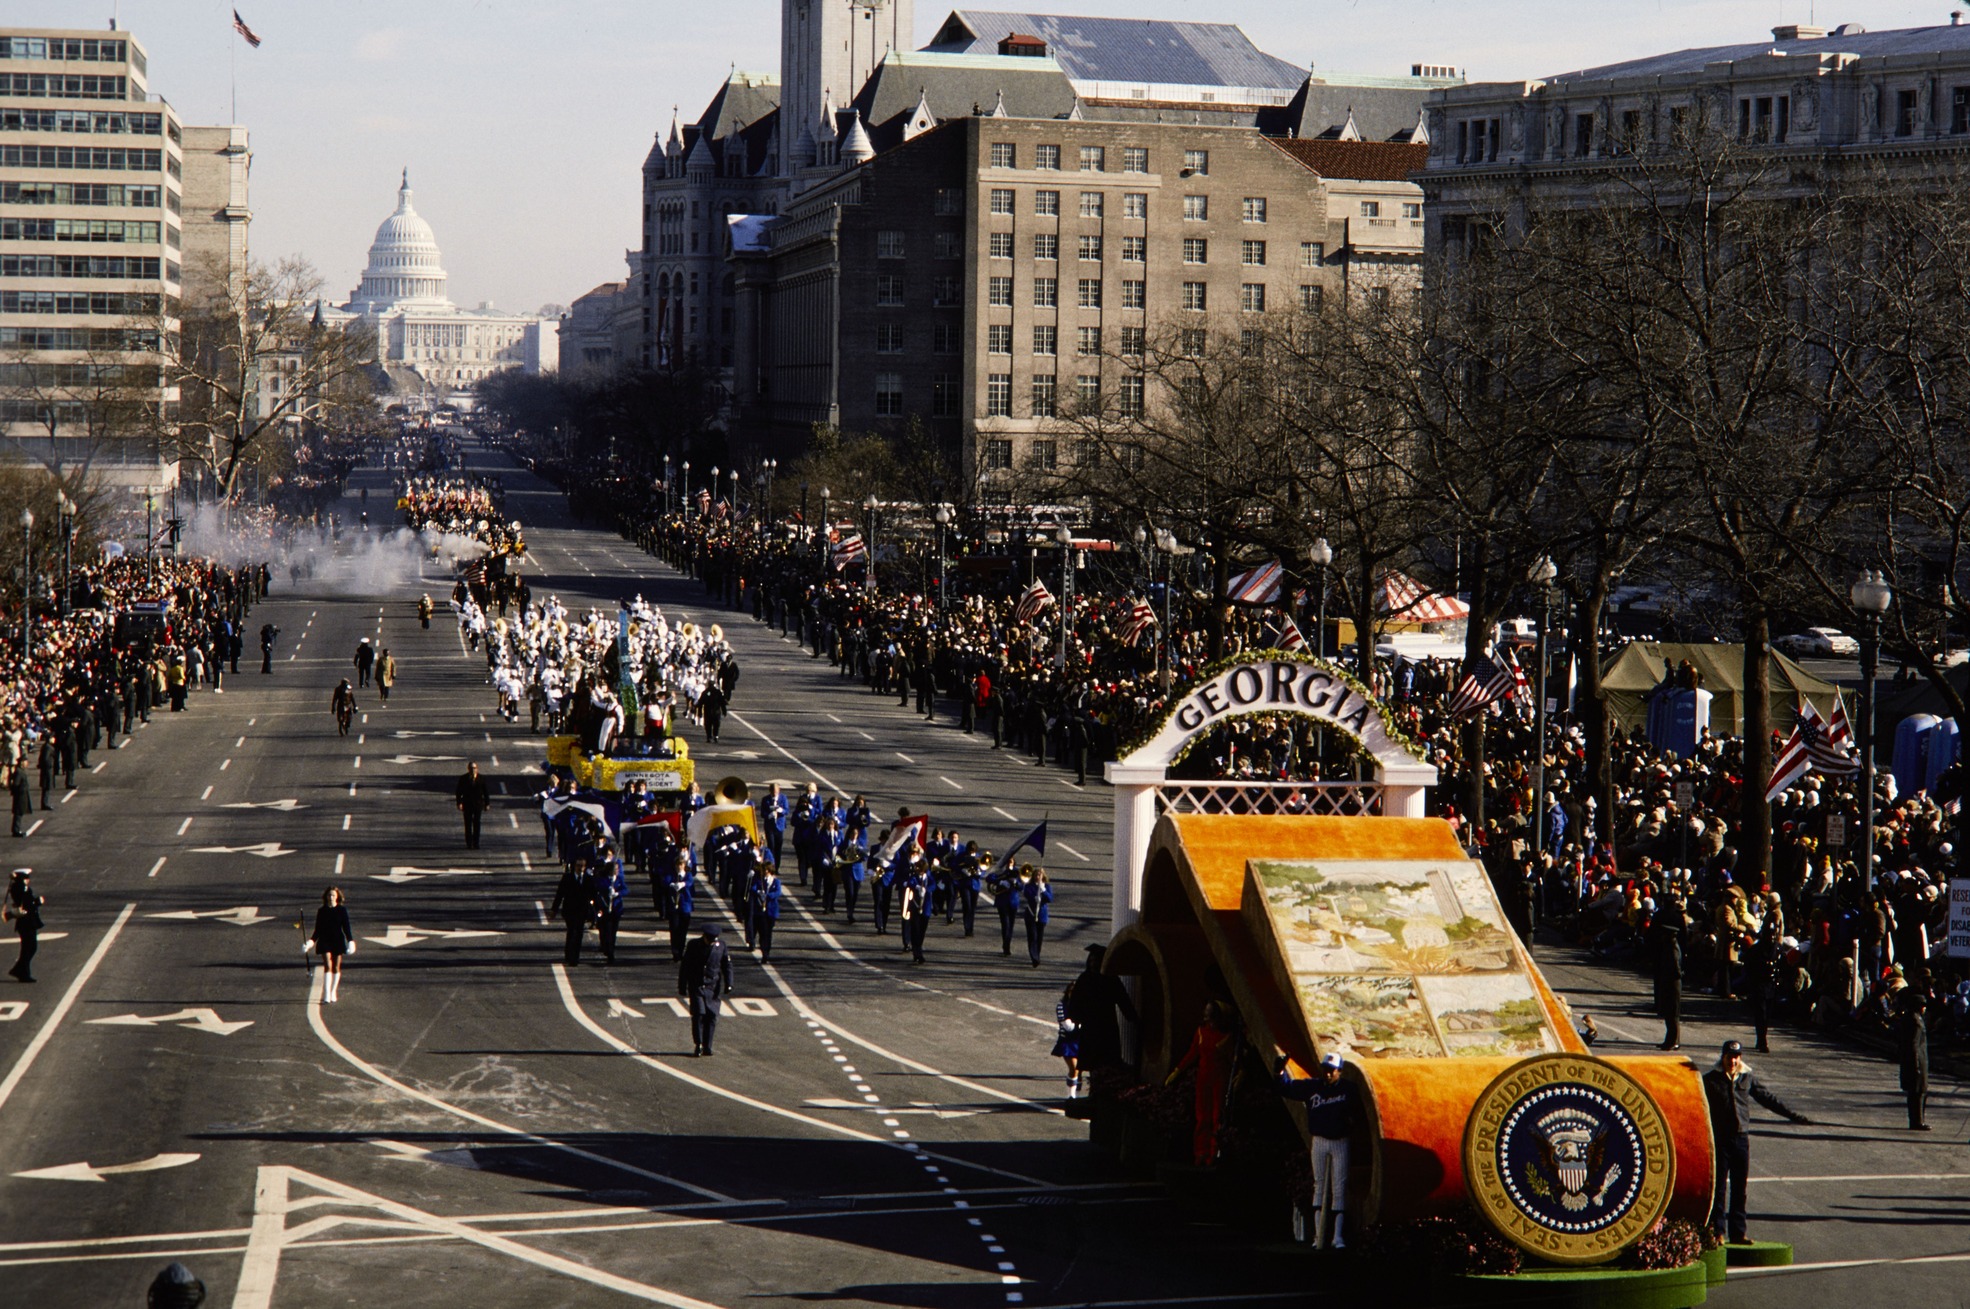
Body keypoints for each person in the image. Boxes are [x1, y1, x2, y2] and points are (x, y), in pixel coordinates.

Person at [1702, 1039, 1811, 1243]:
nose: (1733, 1061)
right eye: (1729, 1057)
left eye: (1736, 1057)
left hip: (1741, 1140)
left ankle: (1738, 1233)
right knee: (1718, 1189)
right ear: (1723, 1057)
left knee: (1739, 1188)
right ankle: (1717, 1232)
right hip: (1720, 1140)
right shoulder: (1710, 1080)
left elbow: (1767, 1099)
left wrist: (1792, 1115)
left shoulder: (1747, 1077)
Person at [1277, 1051, 1360, 1249]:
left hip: (1340, 1141)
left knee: (1339, 1187)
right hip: (1319, 1140)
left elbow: (1358, 1113)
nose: (1328, 1074)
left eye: (1332, 1070)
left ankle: (1337, 1237)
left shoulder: (1348, 1089)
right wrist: (1279, 1071)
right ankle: (1318, 1236)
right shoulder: (1313, 1086)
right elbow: (1287, 1088)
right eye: (1325, 1070)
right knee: (1319, 1185)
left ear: (1340, 1071)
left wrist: (1350, 1125)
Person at [1166, 1001, 1237, 1168]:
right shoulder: (1201, 1032)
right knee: (1202, 1117)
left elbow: (1232, 1060)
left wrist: (1237, 1077)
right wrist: (1178, 1070)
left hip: (1220, 1080)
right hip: (1203, 1080)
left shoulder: (1226, 1037)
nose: (1206, 1019)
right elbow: (1192, 1053)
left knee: (1217, 1116)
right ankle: (1201, 1152)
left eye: (1210, 1016)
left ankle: (1214, 1153)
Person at [1062, 944, 1138, 1093]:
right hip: (1095, 1027)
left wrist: (1132, 1017)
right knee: (1096, 1062)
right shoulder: (1092, 979)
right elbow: (1075, 1003)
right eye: (1091, 961)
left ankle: (1101, 1090)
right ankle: (1097, 1090)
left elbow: (1123, 1000)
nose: (1093, 964)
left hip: (1104, 1027)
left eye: (1096, 961)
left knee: (1104, 1061)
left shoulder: (1102, 979)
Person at [678, 923, 732, 1056]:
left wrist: (729, 983)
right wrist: (682, 985)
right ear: (704, 936)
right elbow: (685, 966)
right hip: (697, 985)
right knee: (699, 1014)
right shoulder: (693, 945)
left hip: (713, 987)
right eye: (710, 939)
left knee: (711, 1016)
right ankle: (699, 1044)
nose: (712, 942)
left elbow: (727, 965)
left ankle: (708, 1045)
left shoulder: (721, 946)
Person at [1646, 893, 1687, 1050]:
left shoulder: (1671, 948)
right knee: (1671, 1010)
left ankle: (1673, 1040)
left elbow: (1651, 935)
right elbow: (1685, 938)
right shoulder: (1678, 917)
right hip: (1669, 971)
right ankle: (1671, 1040)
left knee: (1672, 1010)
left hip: (1669, 975)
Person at [307, 887, 354, 1003]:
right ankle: (327, 994)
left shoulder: (342, 910)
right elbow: (317, 929)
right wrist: (310, 942)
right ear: (326, 897)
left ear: (337, 897)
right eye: (329, 895)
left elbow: (346, 928)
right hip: (325, 940)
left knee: (336, 967)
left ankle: (333, 991)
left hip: (337, 940)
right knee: (328, 965)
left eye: (333, 895)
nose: (331, 897)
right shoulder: (322, 911)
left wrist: (350, 941)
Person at [1894, 983, 1931, 1130]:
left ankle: (1916, 1119)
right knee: (1918, 1092)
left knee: (1916, 1092)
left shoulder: (1911, 1018)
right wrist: (1915, 1064)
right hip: (1917, 1061)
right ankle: (1917, 1121)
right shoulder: (1915, 1021)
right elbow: (1913, 1044)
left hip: (1915, 1059)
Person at [550, 856, 596, 966]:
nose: (580, 868)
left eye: (583, 866)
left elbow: (594, 895)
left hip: (582, 911)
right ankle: (570, 955)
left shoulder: (588, 879)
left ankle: (575, 956)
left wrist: (596, 911)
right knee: (572, 931)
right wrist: (554, 909)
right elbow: (560, 894)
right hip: (570, 910)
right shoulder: (567, 878)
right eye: (578, 865)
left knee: (579, 933)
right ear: (574, 866)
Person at [5, 868, 44, 983]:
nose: (28, 879)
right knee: (29, 948)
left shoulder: (21, 887)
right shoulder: (19, 888)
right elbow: (26, 903)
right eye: (26, 877)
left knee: (29, 948)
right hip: (26, 922)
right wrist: (37, 902)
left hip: (29, 922)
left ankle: (20, 970)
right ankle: (21, 972)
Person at [750, 854, 783, 960]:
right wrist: (759, 892)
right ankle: (764, 951)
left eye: (766, 870)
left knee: (768, 933)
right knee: (762, 932)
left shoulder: (776, 882)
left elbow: (778, 892)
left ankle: (767, 950)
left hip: (771, 911)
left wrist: (768, 895)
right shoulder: (760, 880)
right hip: (760, 911)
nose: (765, 872)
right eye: (764, 870)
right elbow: (753, 888)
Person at [1019, 865, 1053, 967]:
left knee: (1039, 938)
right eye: (1037, 875)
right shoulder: (1029, 886)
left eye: (1040, 875)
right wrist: (1035, 897)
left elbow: (1050, 899)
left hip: (1042, 915)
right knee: (1032, 936)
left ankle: (1037, 954)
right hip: (1031, 915)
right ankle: (1034, 957)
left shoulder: (1046, 886)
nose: (1038, 876)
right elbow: (1027, 894)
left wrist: (1043, 890)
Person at [455, 762, 490, 849]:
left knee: (477, 823)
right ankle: (469, 843)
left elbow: (486, 792)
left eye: (474, 768)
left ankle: (476, 843)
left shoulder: (481, 779)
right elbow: (458, 792)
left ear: (477, 769)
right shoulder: (463, 778)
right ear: (468, 769)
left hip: (478, 804)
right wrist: (459, 803)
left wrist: (487, 804)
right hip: (467, 804)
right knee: (468, 824)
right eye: (471, 768)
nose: (473, 770)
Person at [8, 764, 30, 838]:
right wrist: (21, 790)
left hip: (21, 795)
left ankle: (16, 829)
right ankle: (16, 830)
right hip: (20, 796)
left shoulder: (20, 771)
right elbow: (16, 784)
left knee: (19, 812)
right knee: (18, 812)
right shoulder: (19, 772)